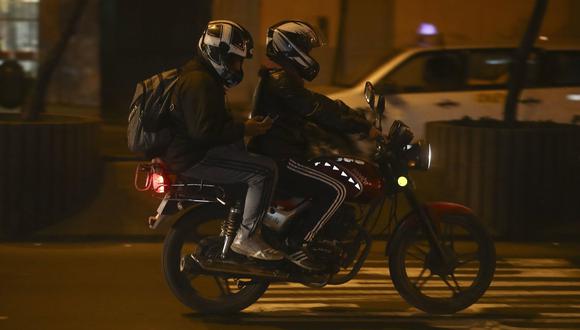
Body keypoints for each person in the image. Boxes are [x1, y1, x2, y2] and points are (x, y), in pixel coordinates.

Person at [249, 20, 381, 270]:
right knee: (338, 188)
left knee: (330, 174)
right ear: (290, 49)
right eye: (306, 49)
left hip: (281, 153)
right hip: (281, 158)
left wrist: (342, 128)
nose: (309, 55)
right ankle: (299, 244)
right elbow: (317, 108)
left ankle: (314, 238)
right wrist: (362, 126)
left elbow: (311, 112)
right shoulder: (281, 81)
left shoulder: (280, 80)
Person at [163, 20, 283, 261]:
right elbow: (203, 132)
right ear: (216, 53)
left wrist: (243, 128)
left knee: (251, 160)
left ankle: (246, 221)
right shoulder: (200, 81)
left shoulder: (199, 76)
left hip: (189, 153)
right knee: (265, 171)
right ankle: (247, 237)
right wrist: (244, 129)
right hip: (195, 157)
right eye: (233, 60)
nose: (237, 67)